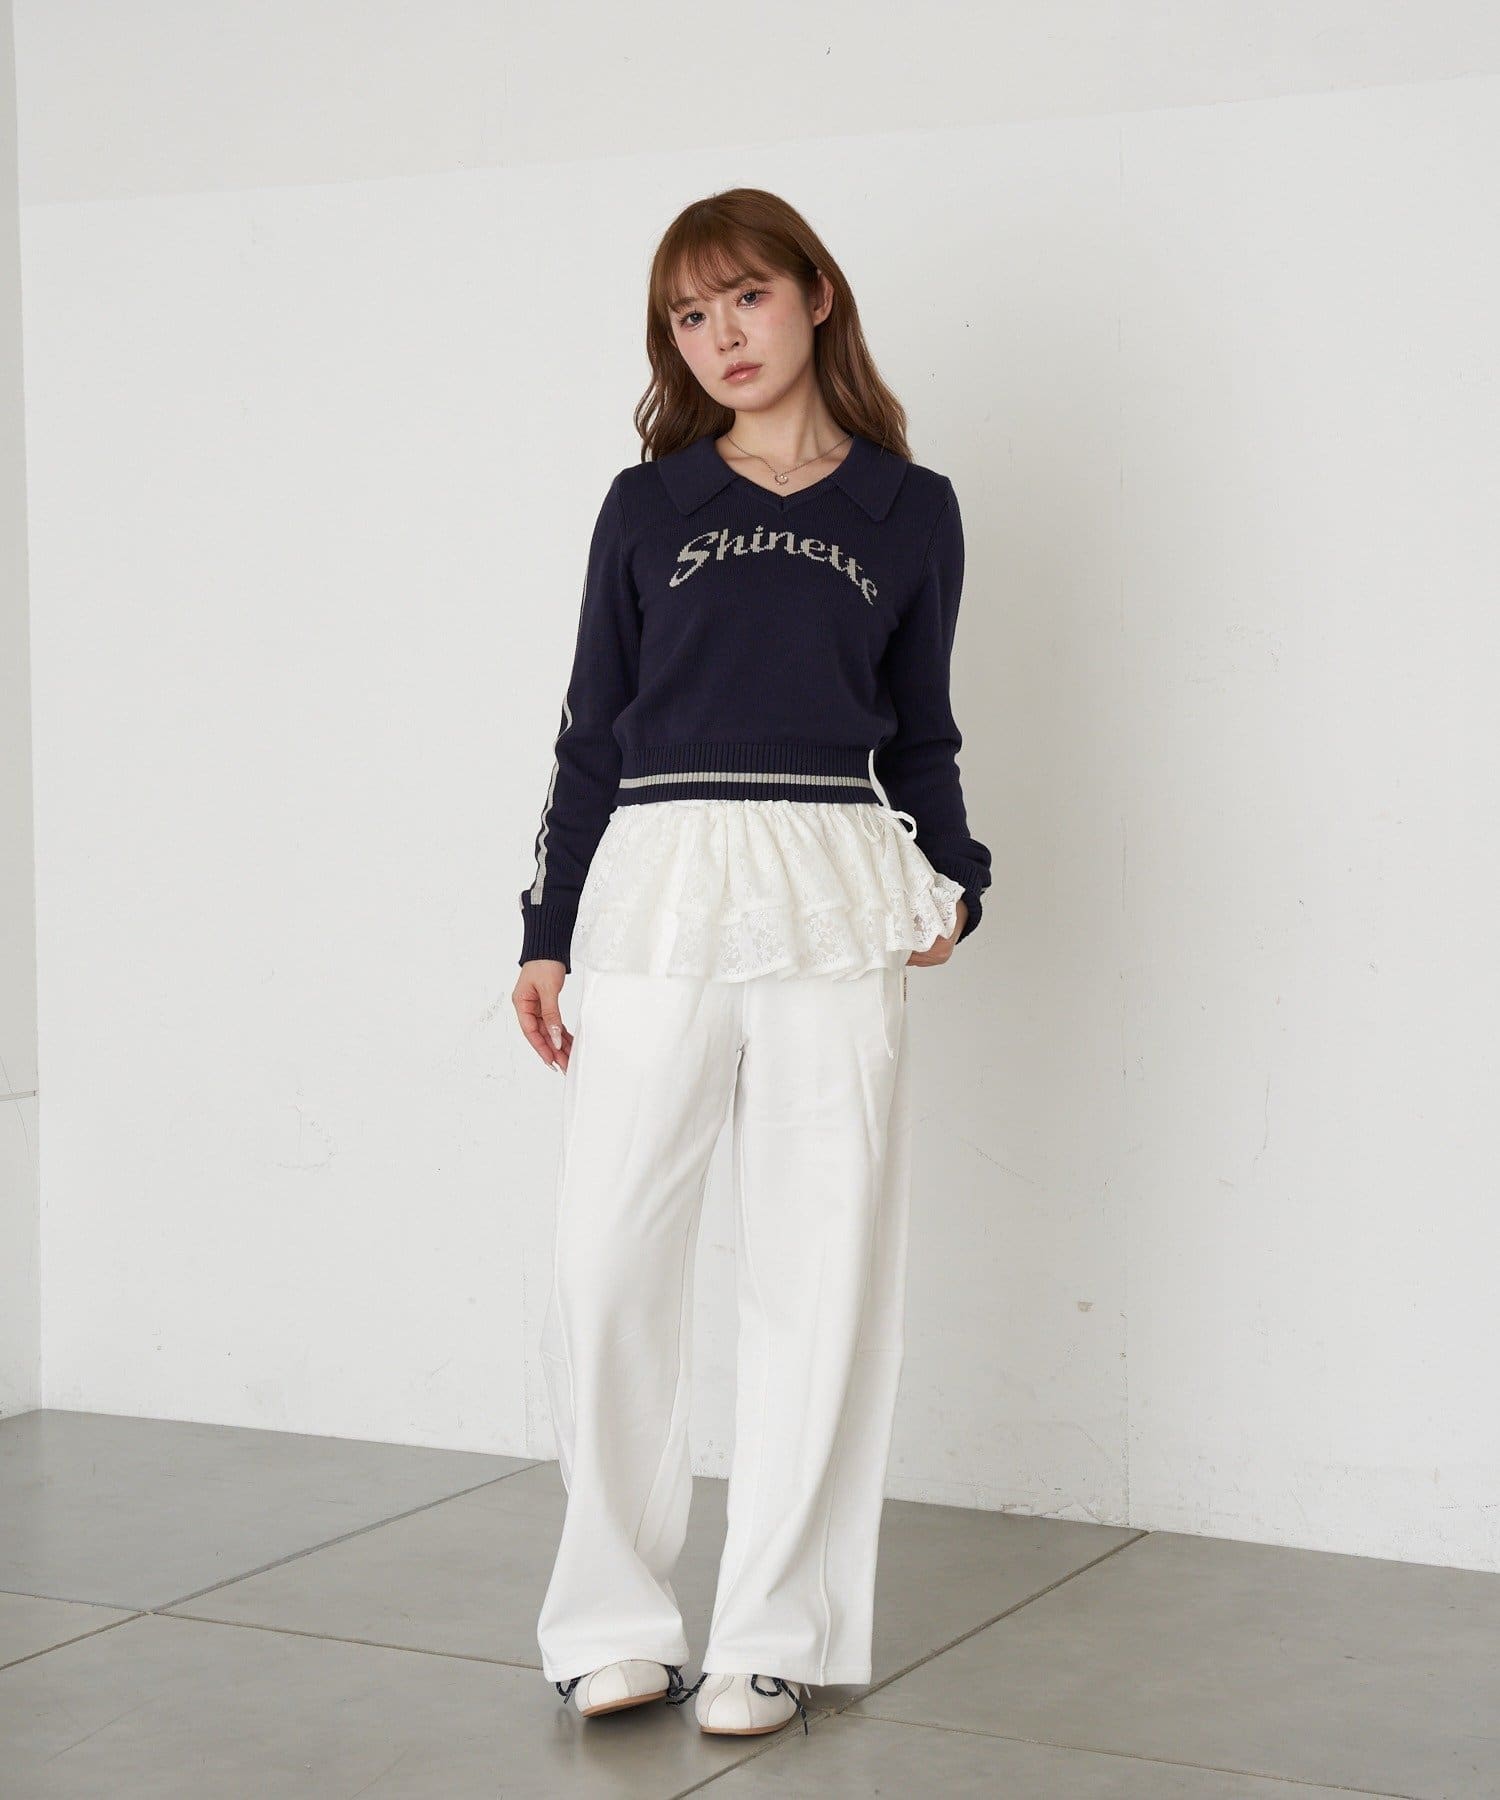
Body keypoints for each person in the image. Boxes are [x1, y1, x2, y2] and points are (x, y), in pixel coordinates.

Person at [512, 186, 993, 1740]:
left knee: (819, 1267)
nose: (720, 336)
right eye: (689, 314)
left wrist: (960, 879)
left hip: (834, 896)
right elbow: (591, 734)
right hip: (656, 891)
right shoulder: (646, 505)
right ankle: (609, 1623)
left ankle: (773, 1633)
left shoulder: (910, 510)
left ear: (816, 298)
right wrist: (544, 931)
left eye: (746, 299)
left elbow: (923, 730)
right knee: (606, 1262)